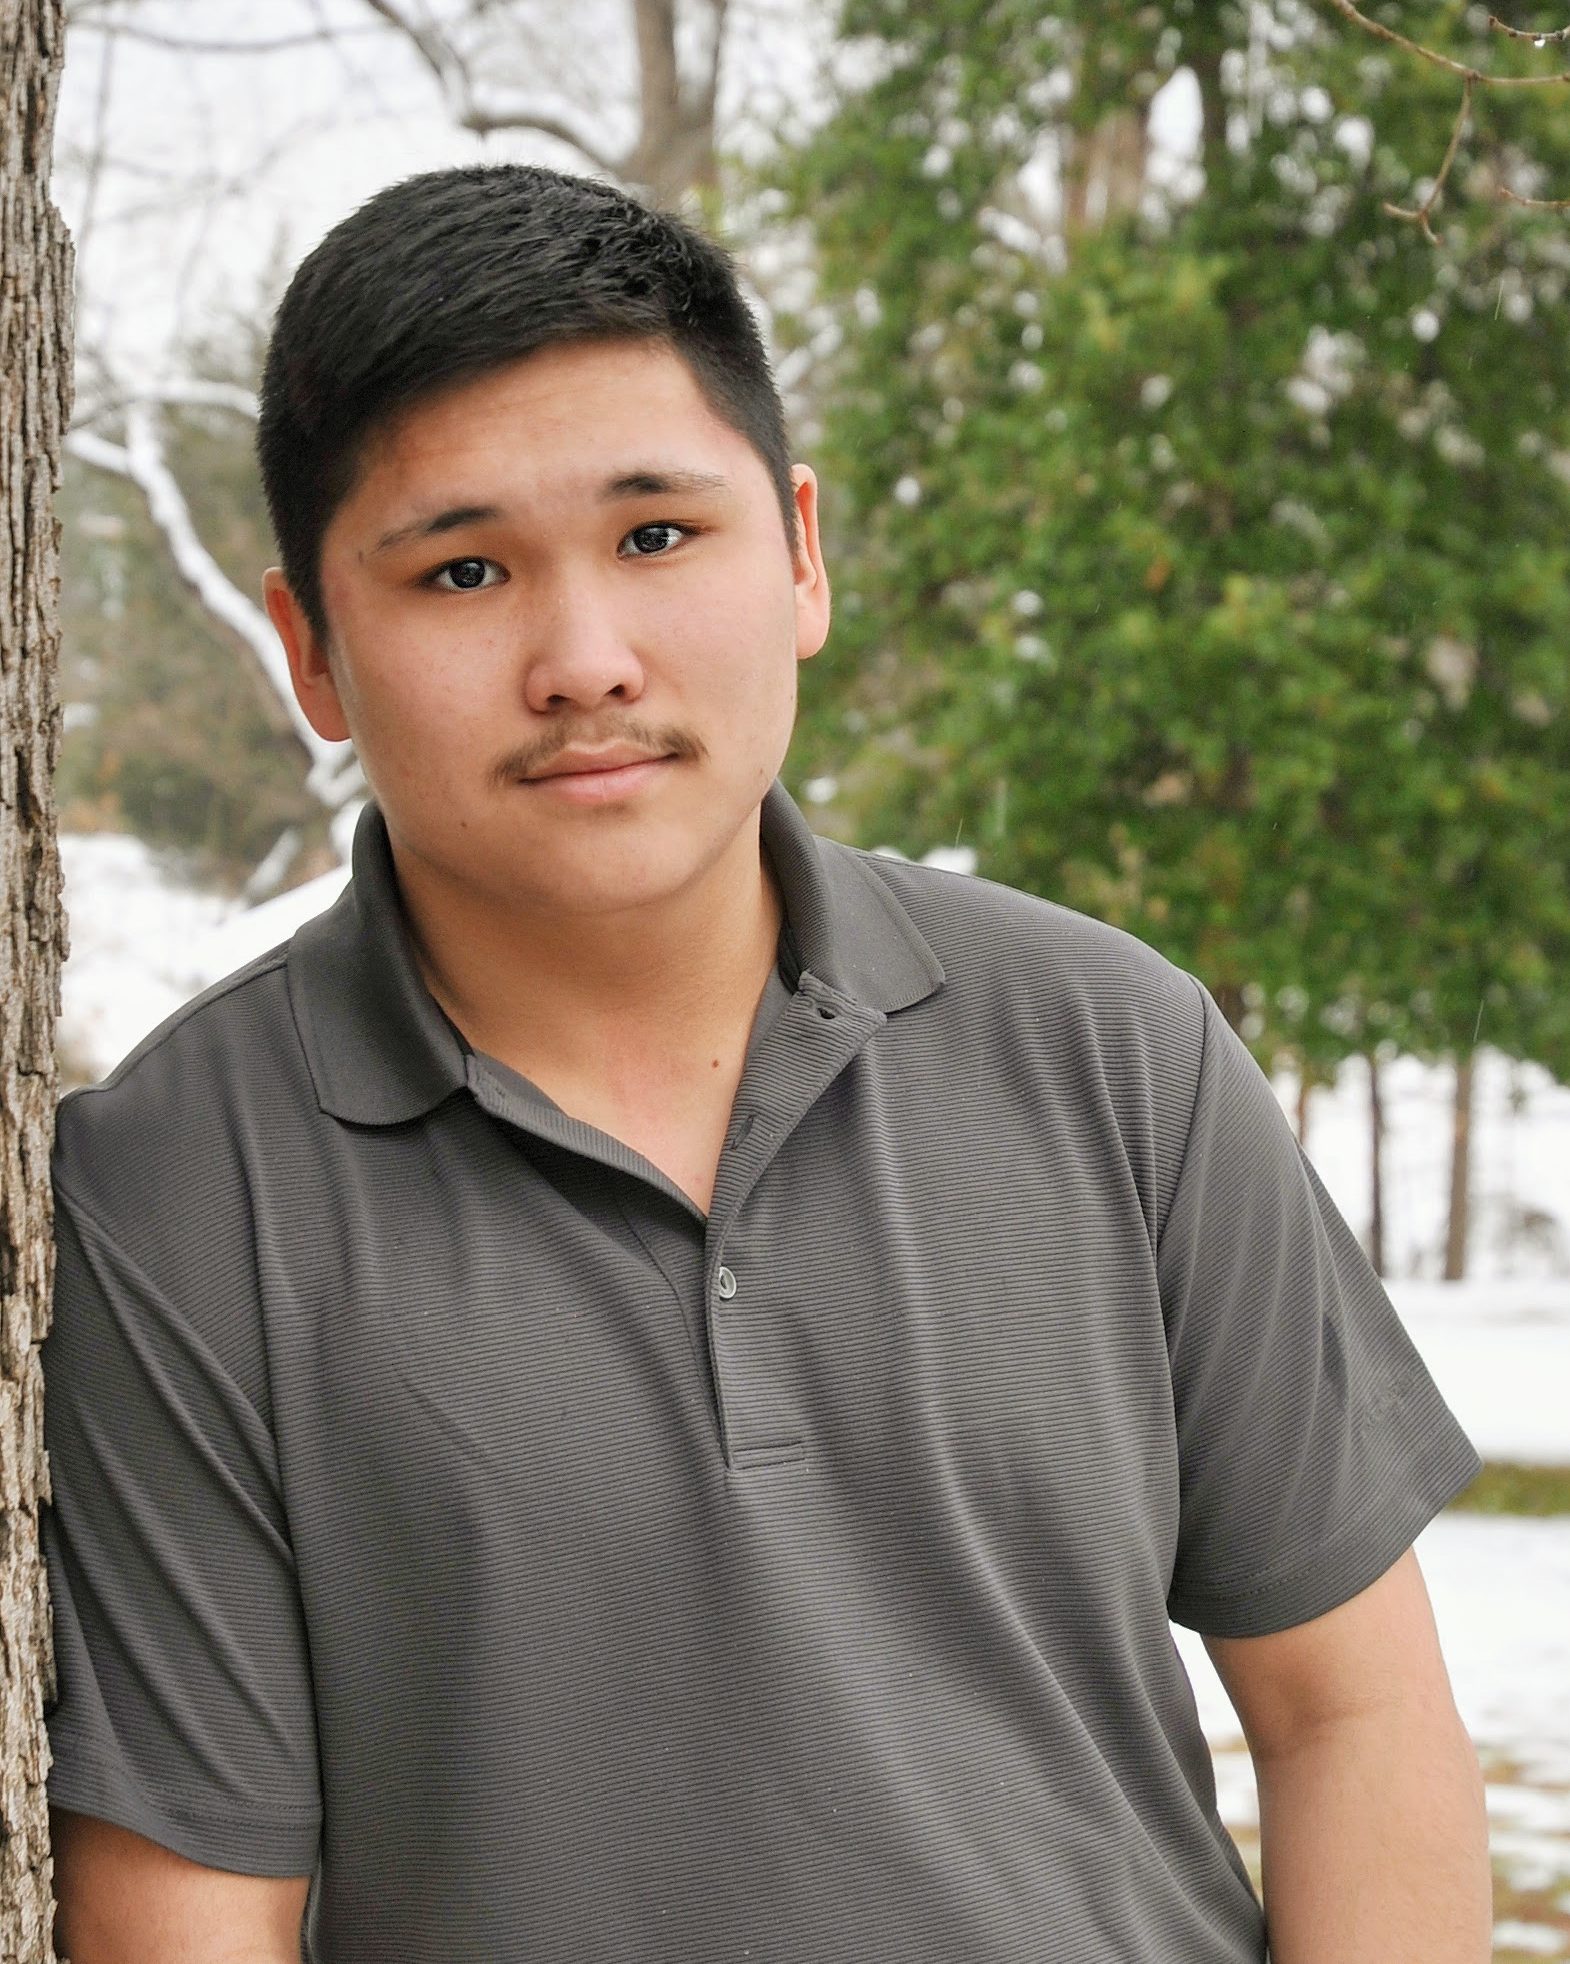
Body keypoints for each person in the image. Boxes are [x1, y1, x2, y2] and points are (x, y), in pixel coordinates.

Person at [42, 163, 1490, 1964]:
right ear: (314, 653)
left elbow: (1353, 1717)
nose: (584, 661)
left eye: (659, 537)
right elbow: (185, 1915)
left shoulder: (1116, 1051)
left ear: (799, 554)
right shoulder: (174, 1185)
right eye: (465, 570)